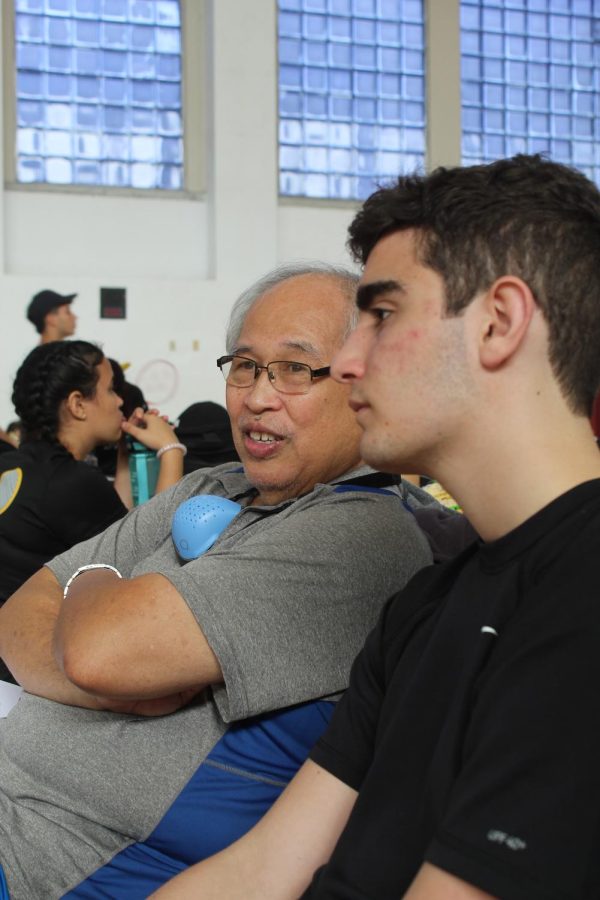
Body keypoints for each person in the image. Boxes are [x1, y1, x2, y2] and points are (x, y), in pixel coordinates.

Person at [152, 154, 600, 900]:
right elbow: (262, 870)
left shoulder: (581, 600)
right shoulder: (426, 605)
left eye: (382, 316)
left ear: (500, 321)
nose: (349, 363)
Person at [0, 263, 438, 899]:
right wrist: (108, 687)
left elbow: (99, 650)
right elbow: (18, 614)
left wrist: (88, 580)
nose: (258, 397)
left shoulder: (363, 534)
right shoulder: (215, 484)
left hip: (51, 864)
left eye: (295, 368)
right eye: (245, 366)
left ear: (361, 381)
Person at [0, 340, 184, 606]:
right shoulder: (70, 483)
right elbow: (152, 559)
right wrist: (171, 449)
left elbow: (114, 533)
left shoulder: (15, 464)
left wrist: (124, 455)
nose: (120, 400)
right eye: (110, 390)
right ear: (77, 405)